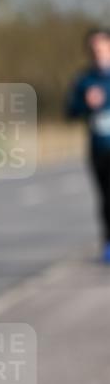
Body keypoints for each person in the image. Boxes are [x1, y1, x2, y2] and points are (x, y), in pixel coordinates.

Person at [66, 28, 110, 264]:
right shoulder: (84, 80)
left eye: (101, 47)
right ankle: (107, 243)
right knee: (104, 197)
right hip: (99, 147)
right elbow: (70, 112)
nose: (97, 52)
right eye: (93, 49)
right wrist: (86, 103)